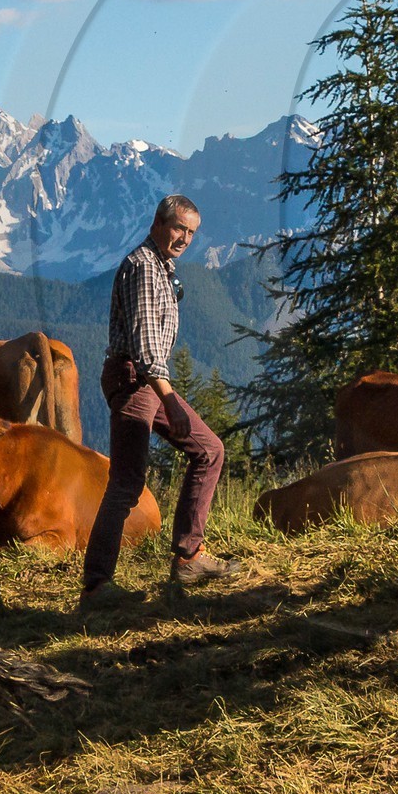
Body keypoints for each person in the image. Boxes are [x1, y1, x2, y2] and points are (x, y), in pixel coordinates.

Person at [78, 194, 241, 614]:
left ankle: (189, 557)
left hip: (146, 381)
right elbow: (148, 348)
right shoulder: (145, 269)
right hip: (137, 381)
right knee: (127, 484)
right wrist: (171, 401)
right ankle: (97, 587)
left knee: (209, 450)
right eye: (178, 228)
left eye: (191, 232)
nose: (185, 238)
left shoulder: (161, 267)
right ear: (158, 223)